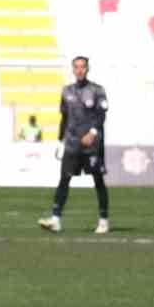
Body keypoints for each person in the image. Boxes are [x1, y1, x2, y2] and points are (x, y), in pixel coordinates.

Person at [39, 55, 109, 235]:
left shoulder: (97, 90)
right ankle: (56, 219)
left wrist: (93, 133)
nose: (79, 70)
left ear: (87, 69)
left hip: (92, 145)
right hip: (72, 144)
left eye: (83, 67)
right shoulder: (66, 91)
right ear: (72, 69)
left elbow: (101, 116)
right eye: (76, 67)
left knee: (98, 181)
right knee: (64, 179)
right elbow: (64, 117)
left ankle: (103, 220)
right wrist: (60, 141)